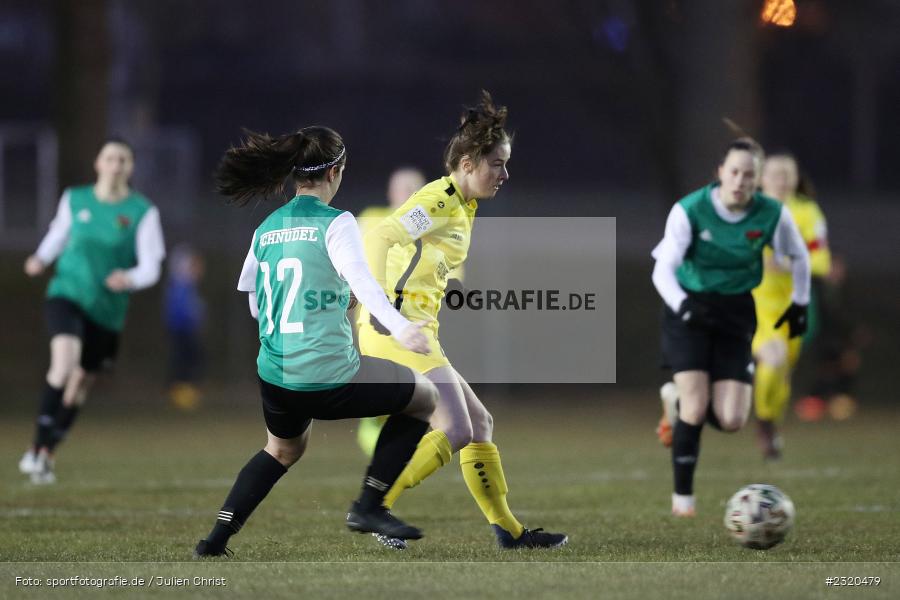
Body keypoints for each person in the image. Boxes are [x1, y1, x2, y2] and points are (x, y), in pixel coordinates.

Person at [193, 126, 439, 558]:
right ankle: (370, 505)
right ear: (336, 171)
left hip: (275, 376)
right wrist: (401, 328)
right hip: (327, 377)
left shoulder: (267, 228)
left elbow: (254, 301)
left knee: (283, 448)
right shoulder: (337, 222)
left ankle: (214, 541)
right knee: (424, 397)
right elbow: (362, 284)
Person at [357, 91, 568, 549]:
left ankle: (510, 533)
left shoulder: (463, 206)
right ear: (469, 162)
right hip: (396, 332)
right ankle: (373, 507)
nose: (505, 174)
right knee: (455, 428)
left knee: (480, 424)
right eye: (497, 163)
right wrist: (382, 311)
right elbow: (380, 236)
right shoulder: (439, 198)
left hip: (418, 331)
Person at [651, 139, 810, 516]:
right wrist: (684, 306)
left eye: (749, 175)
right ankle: (683, 502)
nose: (740, 180)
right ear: (720, 172)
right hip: (689, 306)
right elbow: (662, 269)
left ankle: (676, 401)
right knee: (694, 405)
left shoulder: (771, 213)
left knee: (733, 419)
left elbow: (799, 256)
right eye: (734, 172)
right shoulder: (690, 209)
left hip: (737, 311)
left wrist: (799, 304)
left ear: (757, 181)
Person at [18, 138, 166, 484]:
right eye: (110, 158)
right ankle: (36, 447)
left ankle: (47, 454)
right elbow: (58, 233)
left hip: (107, 309)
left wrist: (128, 277)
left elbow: (151, 267)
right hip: (67, 293)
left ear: (130, 168)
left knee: (81, 381)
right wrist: (40, 259)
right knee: (64, 364)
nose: (116, 165)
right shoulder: (76, 199)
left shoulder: (143, 212)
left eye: (123, 160)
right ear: (98, 164)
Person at [751, 153, 831, 459]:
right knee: (772, 359)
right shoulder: (750, 210)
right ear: (761, 178)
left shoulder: (808, 213)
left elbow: (821, 260)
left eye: (787, 174)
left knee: (782, 371)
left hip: (796, 304)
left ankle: (771, 424)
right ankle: (763, 424)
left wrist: (787, 263)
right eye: (775, 174)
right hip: (756, 303)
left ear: (796, 178)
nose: (781, 180)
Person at [355, 167, 427, 456]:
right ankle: (381, 449)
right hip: (374, 320)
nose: (407, 192)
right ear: (389, 192)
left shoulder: (433, 226)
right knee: (380, 392)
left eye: (414, 187)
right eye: (401, 187)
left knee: (415, 393)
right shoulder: (371, 218)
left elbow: (450, 275)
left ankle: (394, 452)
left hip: (417, 322)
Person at [164, 244, 206, 410]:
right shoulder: (180, 286)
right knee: (183, 361)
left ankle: (184, 393)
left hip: (185, 329)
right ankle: (180, 395)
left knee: (190, 360)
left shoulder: (185, 286)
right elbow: (180, 311)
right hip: (182, 330)